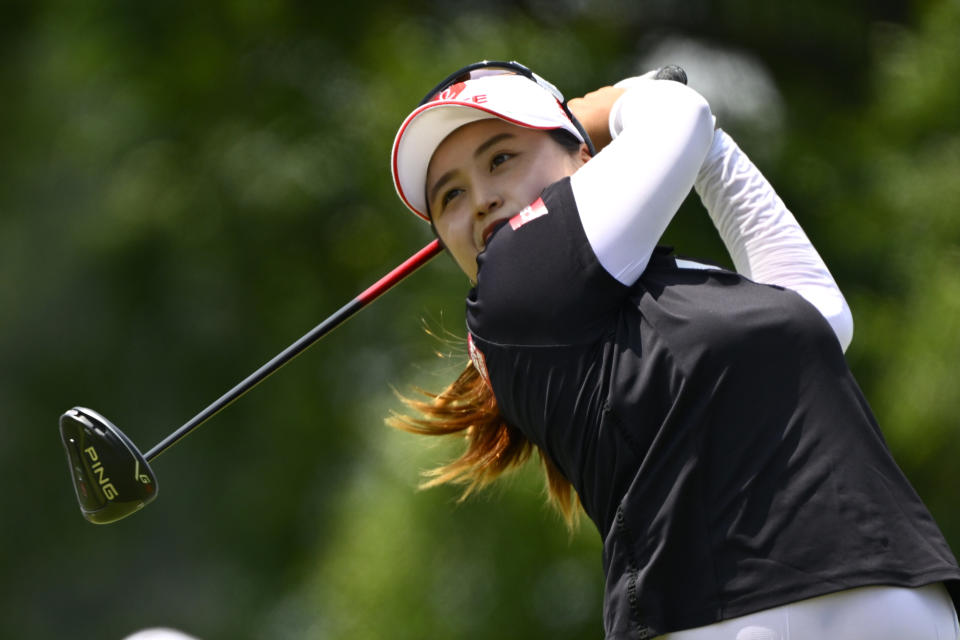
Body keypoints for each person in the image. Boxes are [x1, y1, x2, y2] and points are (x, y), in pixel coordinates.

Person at [387, 60, 960, 639]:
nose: (482, 199)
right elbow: (680, 115)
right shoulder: (510, 284)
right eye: (450, 196)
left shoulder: (680, 286)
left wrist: (710, 145)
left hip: (889, 584)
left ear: (583, 157)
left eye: (500, 158)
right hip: (722, 616)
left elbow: (821, 318)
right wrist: (614, 102)